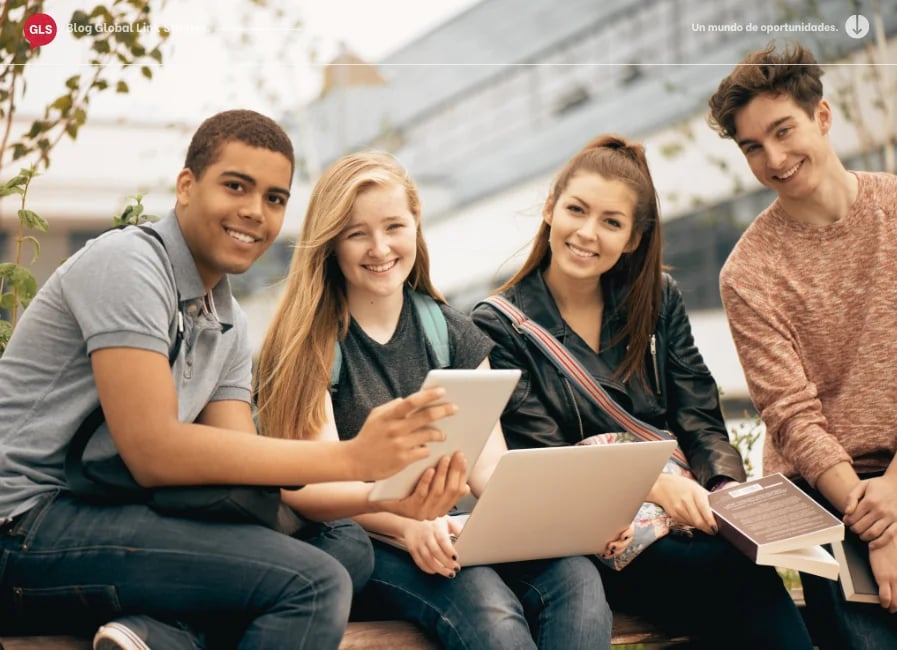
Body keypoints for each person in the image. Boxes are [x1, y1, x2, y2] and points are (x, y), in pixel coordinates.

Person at [0, 110, 460, 650]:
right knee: (313, 583)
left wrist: (392, 498)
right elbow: (154, 450)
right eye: (236, 186)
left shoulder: (226, 318)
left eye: (274, 198)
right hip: (26, 522)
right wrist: (357, 457)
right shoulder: (128, 263)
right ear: (187, 186)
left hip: (113, 511)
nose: (254, 212)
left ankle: (158, 636)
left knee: (344, 547)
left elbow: (242, 469)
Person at [254, 150, 613, 649]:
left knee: (576, 580)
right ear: (331, 242)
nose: (379, 247)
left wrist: (557, 526)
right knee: (491, 611)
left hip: (445, 530)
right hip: (367, 545)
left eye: (394, 226)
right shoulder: (309, 344)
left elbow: (489, 469)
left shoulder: (452, 332)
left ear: (416, 225)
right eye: (357, 233)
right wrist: (405, 526)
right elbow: (306, 490)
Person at [471, 134, 814, 649]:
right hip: (590, 534)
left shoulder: (656, 299)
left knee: (749, 565)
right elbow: (541, 459)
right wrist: (655, 487)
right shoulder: (499, 325)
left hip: (683, 513)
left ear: (632, 238)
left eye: (611, 222)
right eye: (576, 210)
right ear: (550, 208)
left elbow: (698, 412)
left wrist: (720, 493)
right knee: (737, 578)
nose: (587, 233)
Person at [709, 41, 897, 648]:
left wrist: (894, 498)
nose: (775, 158)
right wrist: (877, 529)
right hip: (825, 492)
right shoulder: (748, 273)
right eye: (753, 147)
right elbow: (791, 416)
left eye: (783, 130)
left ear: (822, 116)